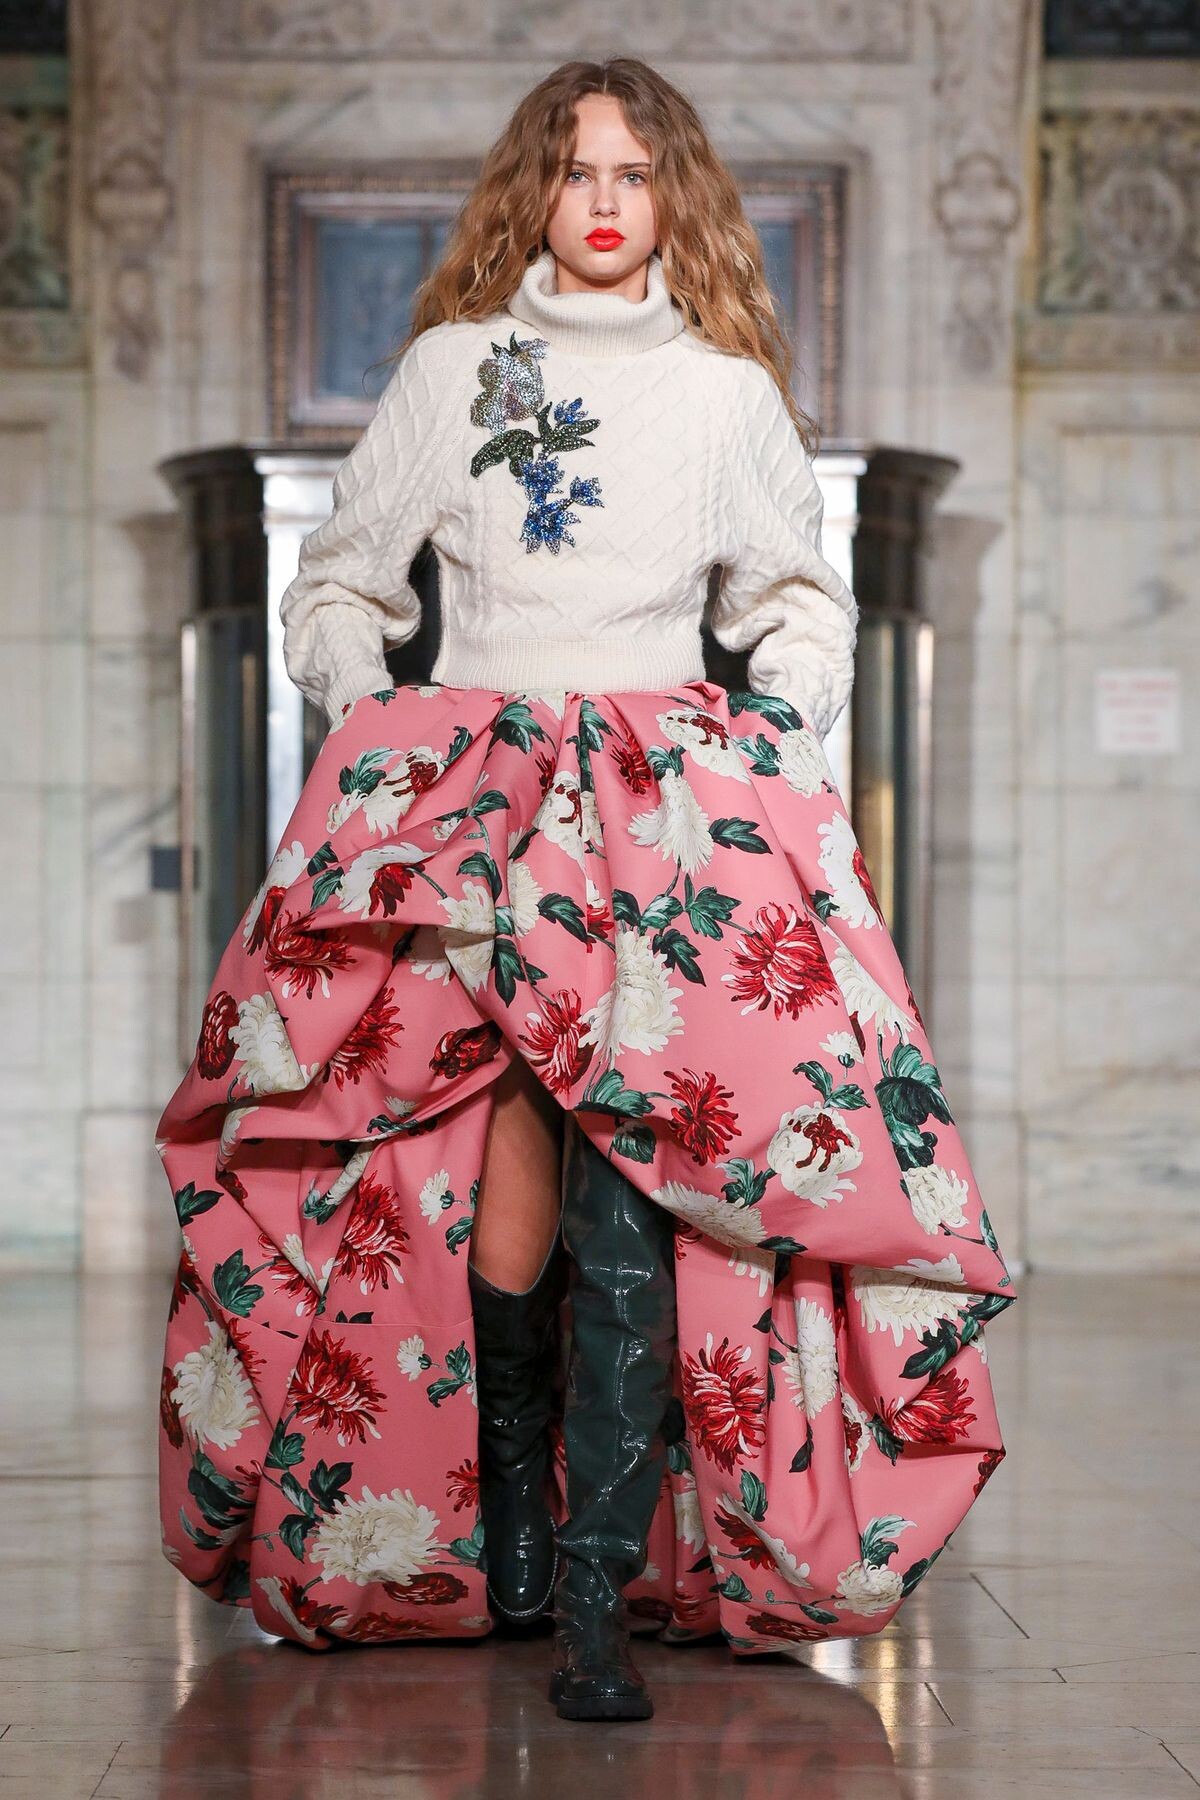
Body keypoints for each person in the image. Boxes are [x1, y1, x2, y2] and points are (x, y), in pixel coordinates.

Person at [154, 56, 1016, 1725]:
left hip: (660, 824)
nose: (605, 202)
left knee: (646, 1173)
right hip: (476, 815)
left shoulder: (723, 395)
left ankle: (602, 1590)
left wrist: (768, 742)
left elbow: (799, 604)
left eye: (633, 172)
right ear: (534, 191)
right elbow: (340, 585)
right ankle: (518, 1535)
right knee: (495, 1158)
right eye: (575, 171)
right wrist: (384, 728)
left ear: (672, 191)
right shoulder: (455, 370)